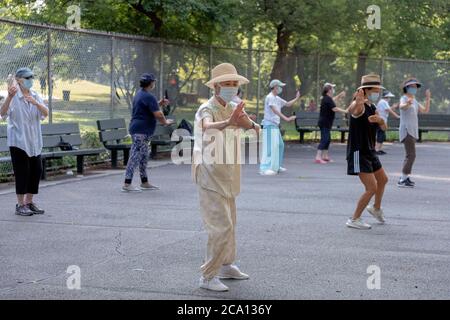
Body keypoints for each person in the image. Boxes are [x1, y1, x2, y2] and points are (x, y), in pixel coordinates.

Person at [193, 63, 260, 292]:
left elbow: (255, 128)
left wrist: (248, 123)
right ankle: (207, 276)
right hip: (209, 175)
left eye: (234, 84)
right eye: (227, 84)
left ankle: (226, 265)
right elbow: (206, 126)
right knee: (220, 227)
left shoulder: (234, 107)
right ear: (216, 87)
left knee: (231, 224)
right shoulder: (206, 108)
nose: (232, 87)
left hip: (229, 174)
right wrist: (229, 122)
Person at [0, 68, 49, 216]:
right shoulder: (13, 96)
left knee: (36, 171)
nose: (31, 80)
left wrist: (36, 103)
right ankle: (20, 205)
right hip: (19, 141)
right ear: (19, 80)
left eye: (32, 77)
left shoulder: (35, 95)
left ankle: (29, 202)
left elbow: (45, 113)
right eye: (28, 78)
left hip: (34, 141)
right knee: (23, 172)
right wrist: (9, 97)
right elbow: (2, 113)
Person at [346, 74, 388, 230]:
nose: (379, 91)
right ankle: (354, 218)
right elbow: (352, 110)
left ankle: (376, 208)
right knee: (371, 188)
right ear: (367, 90)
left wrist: (381, 120)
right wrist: (357, 102)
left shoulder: (372, 107)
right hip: (358, 153)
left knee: (383, 179)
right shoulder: (360, 106)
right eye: (377, 89)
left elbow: (384, 128)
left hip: (370, 151)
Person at [121, 73, 174, 192]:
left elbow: (146, 107)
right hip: (141, 131)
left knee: (144, 156)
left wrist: (159, 103)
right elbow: (158, 114)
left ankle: (144, 182)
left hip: (140, 130)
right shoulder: (148, 96)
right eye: (153, 82)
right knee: (135, 156)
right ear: (151, 83)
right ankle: (127, 184)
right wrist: (165, 122)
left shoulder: (140, 94)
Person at [259, 79, 300, 175]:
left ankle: (276, 166)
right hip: (269, 125)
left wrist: (297, 98)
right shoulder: (270, 97)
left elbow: (288, 104)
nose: (281, 88)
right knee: (270, 147)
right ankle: (265, 168)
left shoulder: (277, 98)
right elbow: (275, 111)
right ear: (275, 87)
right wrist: (287, 118)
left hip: (275, 126)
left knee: (280, 145)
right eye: (279, 86)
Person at [397, 78, 431, 188]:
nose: (414, 88)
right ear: (407, 88)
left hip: (412, 130)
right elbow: (401, 107)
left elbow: (425, 110)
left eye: (416, 87)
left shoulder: (414, 100)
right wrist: (407, 103)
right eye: (412, 86)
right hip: (407, 130)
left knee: (409, 155)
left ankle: (404, 177)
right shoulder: (404, 98)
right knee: (411, 155)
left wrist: (428, 98)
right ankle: (403, 179)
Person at [315, 82, 347, 164]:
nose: (333, 90)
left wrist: (339, 96)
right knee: (325, 139)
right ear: (329, 90)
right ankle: (318, 157)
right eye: (332, 88)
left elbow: (333, 100)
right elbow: (334, 108)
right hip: (324, 123)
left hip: (327, 123)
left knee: (328, 139)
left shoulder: (327, 98)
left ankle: (325, 156)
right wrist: (345, 111)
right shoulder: (327, 99)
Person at [375, 90, 399, 155]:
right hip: (381, 121)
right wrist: (397, 116)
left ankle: (378, 149)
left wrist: (393, 107)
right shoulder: (383, 102)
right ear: (386, 96)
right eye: (389, 97)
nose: (390, 98)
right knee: (381, 135)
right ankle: (376, 150)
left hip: (382, 121)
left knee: (382, 135)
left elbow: (387, 109)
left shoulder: (383, 102)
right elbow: (389, 110)